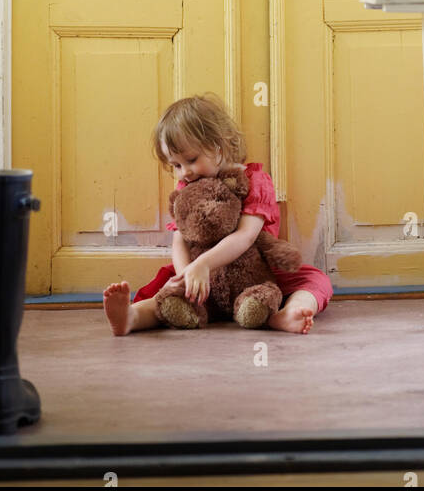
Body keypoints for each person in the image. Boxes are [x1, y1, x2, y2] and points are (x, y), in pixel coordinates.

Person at [103, 92, 332, 335]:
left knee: (316, 281)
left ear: (219, 145)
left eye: (191, 159)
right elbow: (179, 240)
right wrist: (187, 275)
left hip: (255, 270)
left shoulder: (254, 181)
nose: (184, 173)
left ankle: (288, 313)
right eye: (176, 165)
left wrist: (203, 264)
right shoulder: (187, 189)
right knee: (166, 290)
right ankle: (132, 317)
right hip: (201, 275)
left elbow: (246, 236)